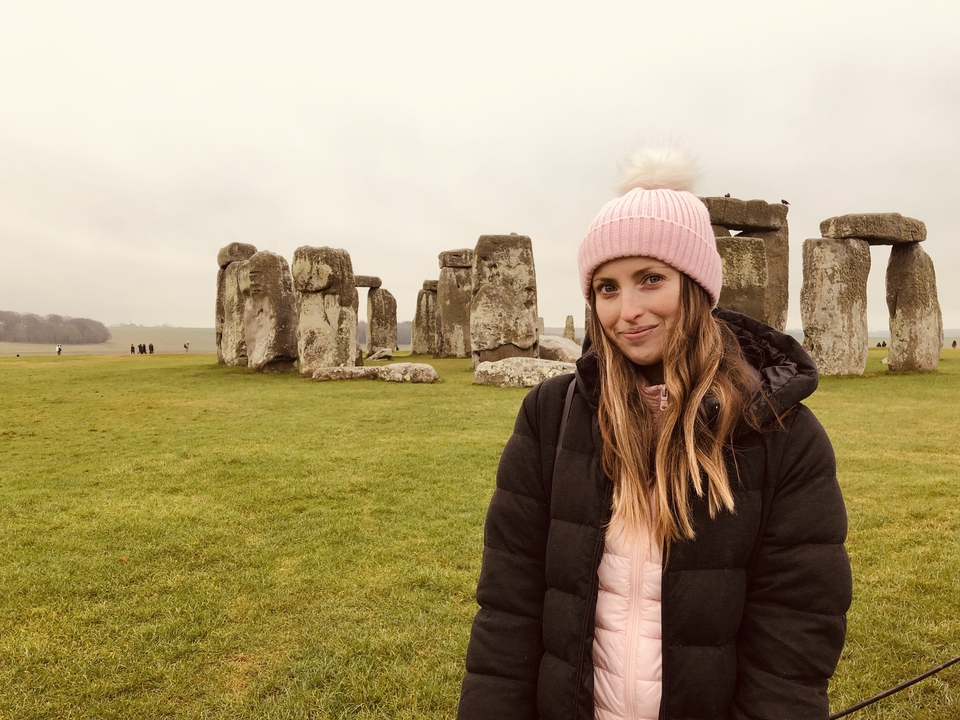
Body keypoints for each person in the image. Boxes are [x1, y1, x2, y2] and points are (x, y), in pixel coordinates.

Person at [457, 147, 852, 720]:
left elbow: (795, 633)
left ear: (695, 286)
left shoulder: (780, 430)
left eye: (650, 279)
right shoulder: (550, 416)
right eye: (607, 288)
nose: (628, 311)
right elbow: (507, 607)